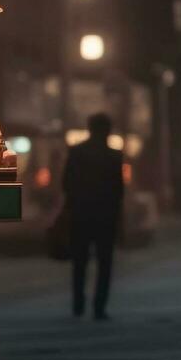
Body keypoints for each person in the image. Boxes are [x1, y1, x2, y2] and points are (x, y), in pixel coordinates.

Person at [62, 112, 125, 319]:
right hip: (106, 216)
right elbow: (118, 190)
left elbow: (66, 183)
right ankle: (99, 307)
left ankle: (78, 304)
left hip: (81, 214)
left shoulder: (77, 153)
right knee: (104, 262)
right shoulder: (114, 156)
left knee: (80, 262)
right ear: (108, 130)